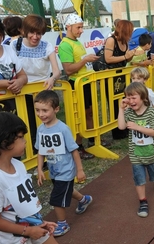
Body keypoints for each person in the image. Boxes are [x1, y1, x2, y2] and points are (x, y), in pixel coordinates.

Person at [0, 112, 64, 244]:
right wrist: (28, 231)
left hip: (33, 224)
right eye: (21, 137)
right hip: (12, 238)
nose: (25, 142)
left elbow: (25, 201)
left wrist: (39, 222)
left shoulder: (18, 165)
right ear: (4, 142)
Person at [34, 90, 93, 237]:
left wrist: (79, 170)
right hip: (54, 170)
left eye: (45, 110)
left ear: (56, 109)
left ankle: (62, 223)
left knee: (57, 197)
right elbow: (40, 151)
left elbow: (74, 150)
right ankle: (84, 199)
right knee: (66, 190)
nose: (41, 114)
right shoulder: (41, 129)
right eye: (37, 110)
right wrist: (40, 169)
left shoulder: (63, 129)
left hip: (66, 170)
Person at [58, 14, 103, 159]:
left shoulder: (76, 41)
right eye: (78, 27)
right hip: (76, 84)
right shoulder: (65, 45)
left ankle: (92, 139)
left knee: (88, 112)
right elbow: (69, 70)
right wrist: (85, 60)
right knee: (79, 115)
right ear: (68, 27)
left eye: (82, 27)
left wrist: (87, 61)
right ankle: (78, 146)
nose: (81, 30)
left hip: (84, 83)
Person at [117, 82, 154, 218]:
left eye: (134, 98)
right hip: (135, 154)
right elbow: (121, 127)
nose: (131, 101)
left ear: (143, 98)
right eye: (128, 98)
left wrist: (138, 127)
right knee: (139, 179)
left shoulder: (151, 112)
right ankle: (143, 201)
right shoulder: (129, 113)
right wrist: (121, 109)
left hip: (152, 153)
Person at [103, 19, 137, 140]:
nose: (131, 33)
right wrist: (125, 56)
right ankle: (117, 132)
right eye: (130, 31)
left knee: (123, 101)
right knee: (113, 104)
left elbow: (125, 59)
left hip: (120, 75)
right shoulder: (111, 40)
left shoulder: (125, 42)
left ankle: (123, 127)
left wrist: (131, 55)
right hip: (110, 76)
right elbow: (108, 59)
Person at [0, 15, 28, 114]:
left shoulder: (8, 49)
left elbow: (23, 76)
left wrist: (19, 82)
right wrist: (6, 83)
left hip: (14, 104)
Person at [14, 14, 61, 90]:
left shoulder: (47, 46)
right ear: (25, 31)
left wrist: (53, 78)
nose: (35, 37)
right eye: (31, 32)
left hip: (44, 89)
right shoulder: (15, 45)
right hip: (23, 91)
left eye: (38, 33)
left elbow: (56, 71)